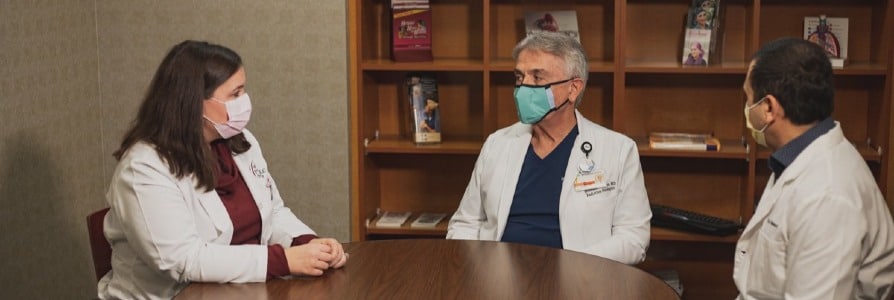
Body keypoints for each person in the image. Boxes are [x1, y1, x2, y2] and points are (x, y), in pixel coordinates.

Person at [99, 40, 348, 299]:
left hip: (239, 291)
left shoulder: (240, 142)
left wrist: (307, 244)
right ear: (194, 102)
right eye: (235, 94)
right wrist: (282, 261)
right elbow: (182, 259)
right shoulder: (144, 169)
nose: (245, 102)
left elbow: (272, 211)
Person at [446, 31, 651, 265]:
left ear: (573, 89)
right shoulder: (497, 144)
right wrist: (479, 270)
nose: (523, 88)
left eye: (537, 78)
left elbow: (633, 238)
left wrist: (574, 267)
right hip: (498, 279)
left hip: (580, 280)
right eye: (520, 77)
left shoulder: (619, 150)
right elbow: (465, 223)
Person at [735, 37, 894, 299]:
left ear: (768, 108)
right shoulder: (798, 157)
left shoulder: (829, 195)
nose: (746, 109)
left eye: (748, 98)